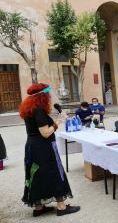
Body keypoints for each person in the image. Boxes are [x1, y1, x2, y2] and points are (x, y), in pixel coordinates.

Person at [19, 83, 80, 216]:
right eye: (47, 94)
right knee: (54, 172)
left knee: (37, 175)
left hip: (32, 146)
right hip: (43, 148)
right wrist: (58, 121)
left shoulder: (30, 108)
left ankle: (39, 208)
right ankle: (62, 207)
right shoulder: (38, 110)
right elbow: (45, 133)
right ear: (42, 96)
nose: (49, 97)